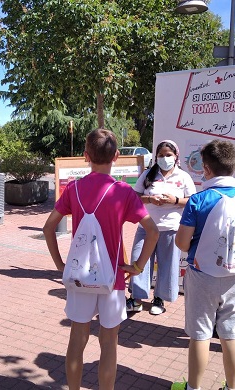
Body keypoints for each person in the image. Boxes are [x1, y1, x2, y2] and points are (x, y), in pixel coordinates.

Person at [42, 128, 159, 390]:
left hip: (81, 277)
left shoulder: (73, 189)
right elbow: (153, 231)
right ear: (116, 156)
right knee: (109, 343)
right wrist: (138, 266)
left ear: (86, 156)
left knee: (77, 339)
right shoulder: (124, 192)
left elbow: (48, 228)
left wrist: (61, 266)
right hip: (113, 277)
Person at [173, 139, 235, 390]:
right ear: (234, 167)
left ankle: (193, 388)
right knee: (231, 335)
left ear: (207, 169)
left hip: (202, 276)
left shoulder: (198, 200)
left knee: (200, 335)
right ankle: (232, 388)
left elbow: (182, 242)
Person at [126, 140, 196, 315]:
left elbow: (193, 201)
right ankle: (136, 298)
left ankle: (159, 299)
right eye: (161, 155)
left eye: (168, 155)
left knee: (167, 265)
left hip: (171, 228)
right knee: (138, 259)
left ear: (176, 156)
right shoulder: (148, 175)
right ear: (156, 157)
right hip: (146, 227)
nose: (165, 158)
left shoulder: (183, 177)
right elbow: (135, 197)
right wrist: (150, 199)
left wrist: (175, 201)